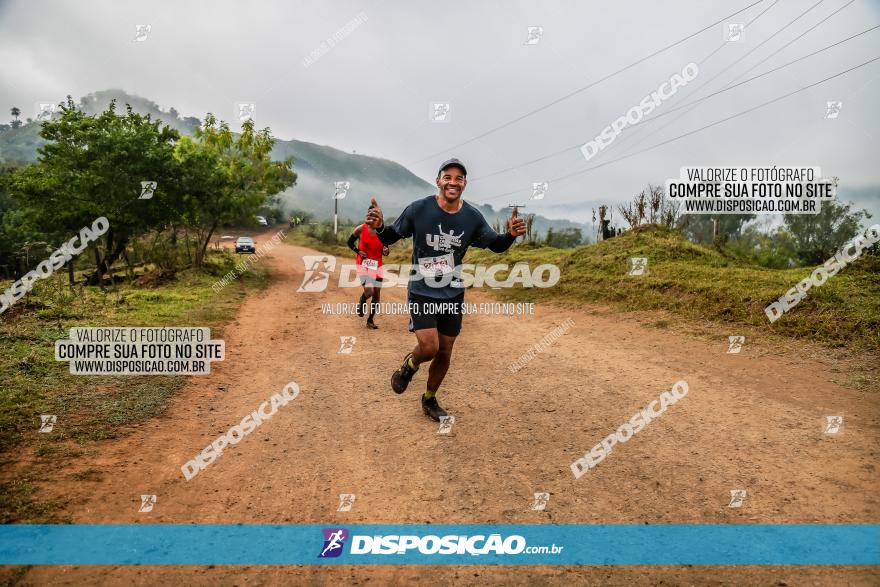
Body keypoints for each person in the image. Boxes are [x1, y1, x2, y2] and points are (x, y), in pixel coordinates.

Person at [365, 158, 526, 421]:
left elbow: (495, 244)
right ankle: (409, 366)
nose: (453, 182)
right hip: (422, 289)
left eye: (459, 178)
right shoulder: (418, 209)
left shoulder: (472, 217)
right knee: (429, 347)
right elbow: (392, 235)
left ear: (464, 184)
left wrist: (509, 235)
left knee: (445, 351)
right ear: (438, 181)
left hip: (452, 292)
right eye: (447, 177)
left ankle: (429, 399)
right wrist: (380, 226)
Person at [347, 204, 390, 329]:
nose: (373, 215)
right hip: (363, 265)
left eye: (375, 213)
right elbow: (349, 242)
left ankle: (370, 320)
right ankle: (362, 299)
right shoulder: (361, 229)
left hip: (377, 266)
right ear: (368, 215)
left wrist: (386, 251)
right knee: (369, 291)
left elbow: (386, 250)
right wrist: (357, 251)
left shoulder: (383, 231)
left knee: (376, 294)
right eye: (371, 213)